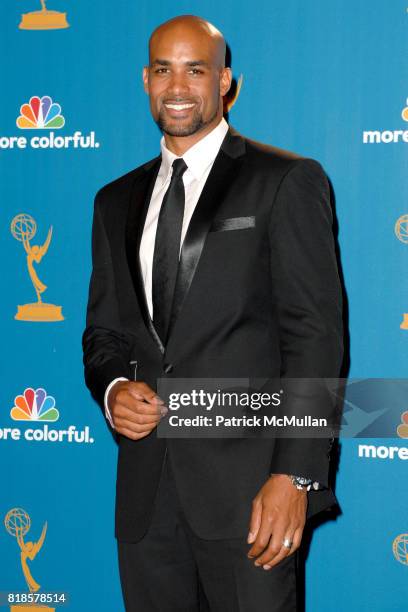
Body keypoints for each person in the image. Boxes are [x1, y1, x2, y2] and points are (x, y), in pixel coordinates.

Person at [82, 14, 343, 612]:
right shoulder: (114, 200)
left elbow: (315, 338)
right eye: (164, 70)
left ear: (226, 81)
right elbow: (103, 332)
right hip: (147, 500)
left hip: (253, 497)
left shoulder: (285, 181)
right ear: (146, 80)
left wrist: (296, 476)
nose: (178, 86)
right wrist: (114, 386)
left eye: (195, 69)